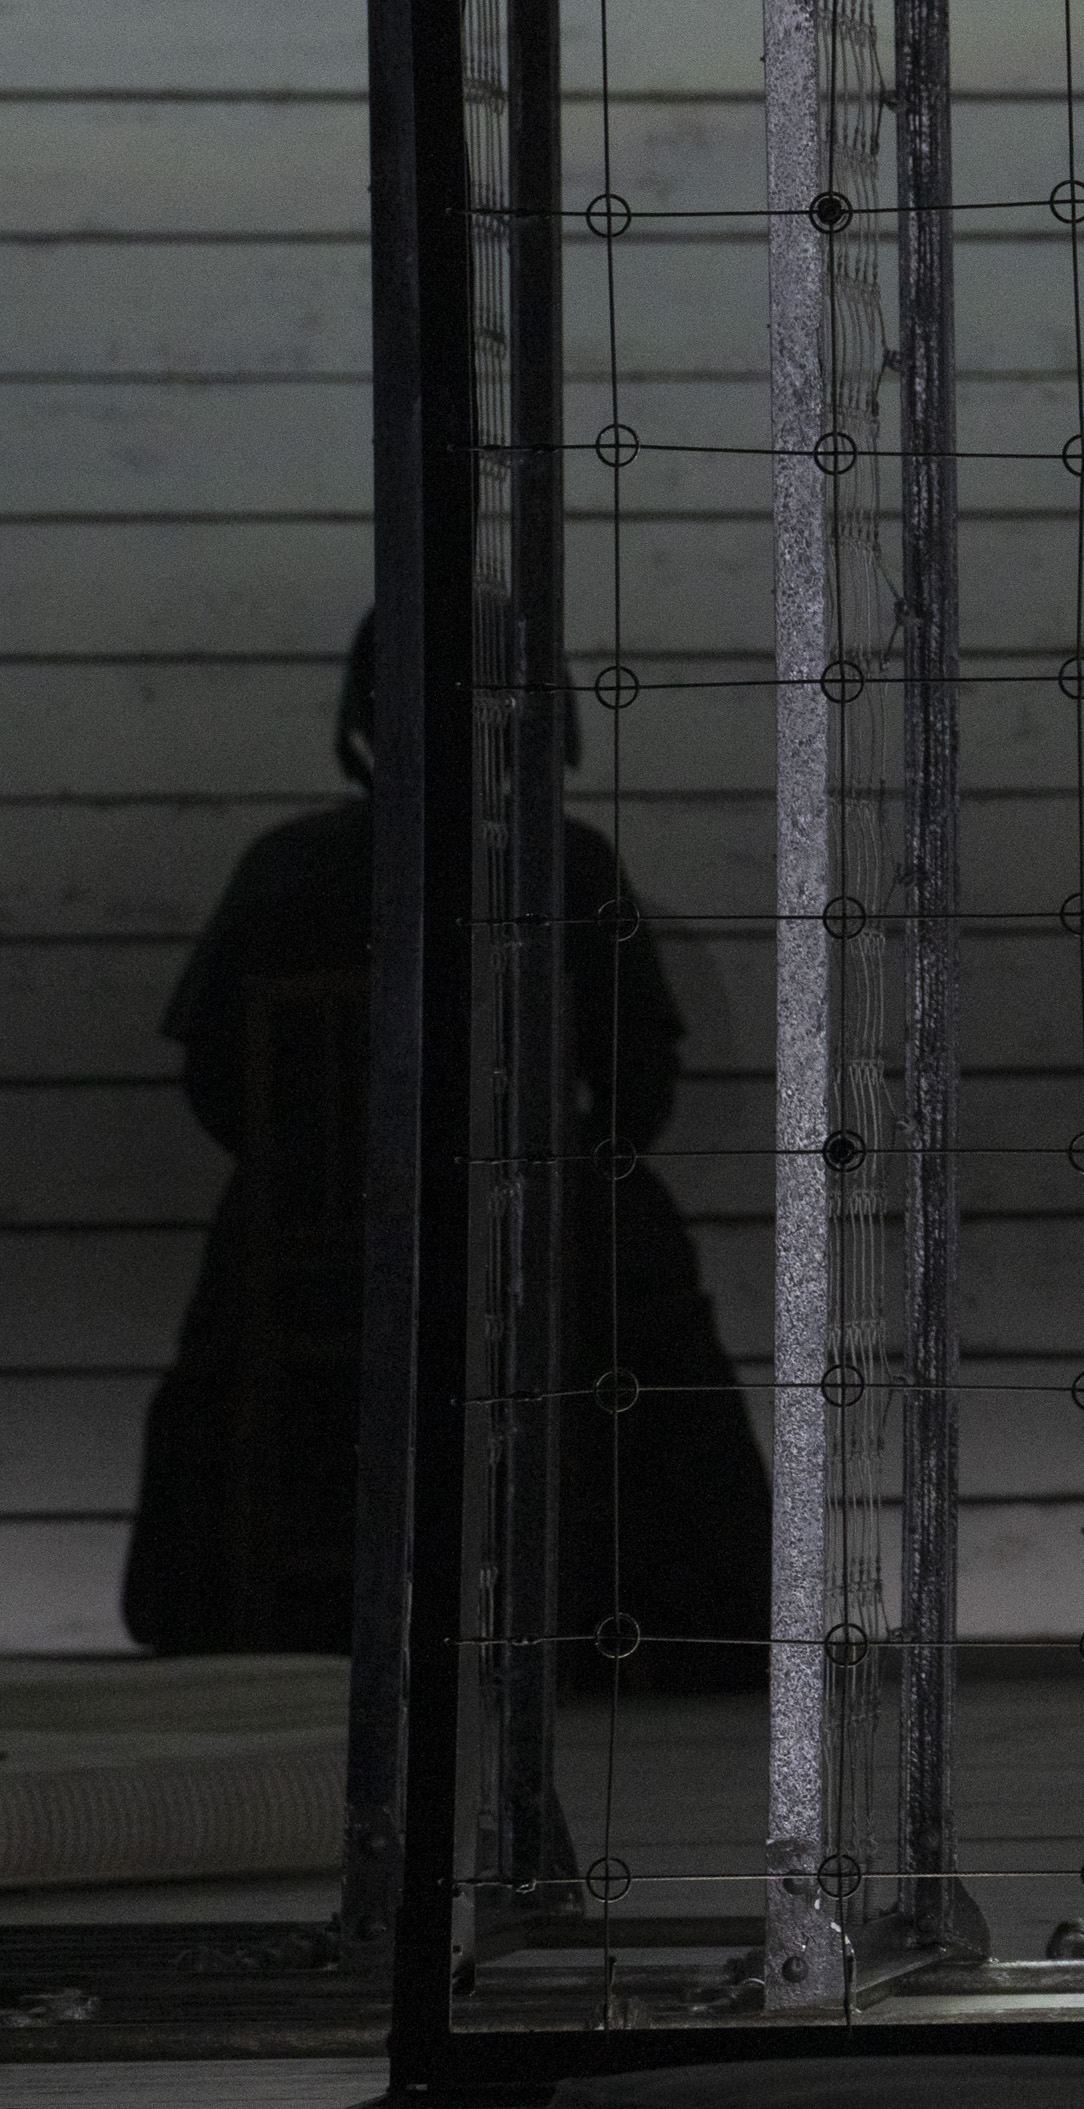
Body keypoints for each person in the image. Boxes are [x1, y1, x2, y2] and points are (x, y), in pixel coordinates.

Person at [130, 619, 766, 1685]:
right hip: (544, 1248)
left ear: (364, 718)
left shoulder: (284, 867)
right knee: (641, 1278)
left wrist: (327, 1184)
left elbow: (212, 1080)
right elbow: (639, 1086)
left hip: (316, 1255)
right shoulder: (569, 863)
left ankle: (240, 1613)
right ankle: (660, 1613)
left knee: (239, 1310)